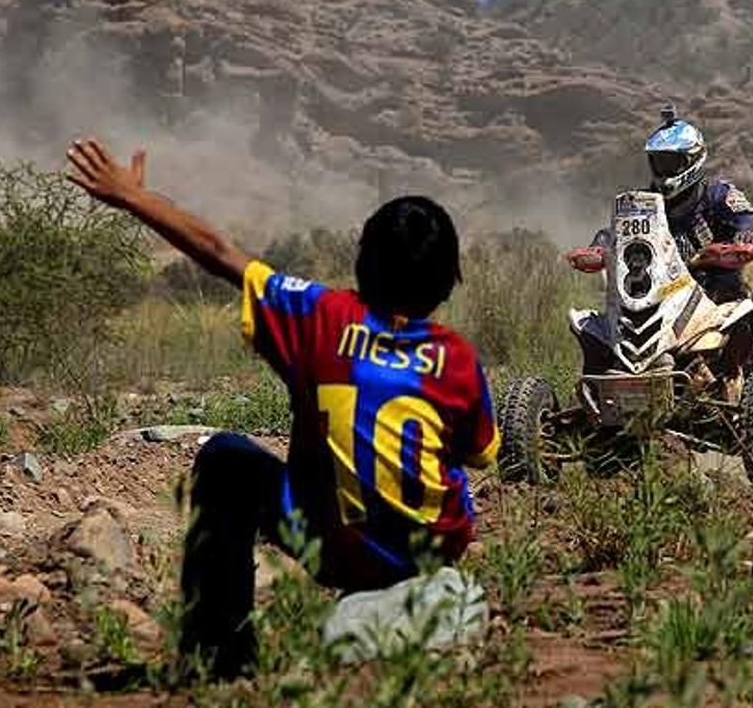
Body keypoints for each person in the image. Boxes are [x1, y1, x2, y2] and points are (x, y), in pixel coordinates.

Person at [66, 138, 500, 679]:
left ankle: (218, 656)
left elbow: (220, 251)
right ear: (448, 282)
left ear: (361, 261)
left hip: (333, 551)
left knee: (225, 460)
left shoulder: (319, 316)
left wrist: (133, 197)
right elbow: (479, 453)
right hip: (428, 555)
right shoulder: (457, 358)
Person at [570, 106, 753, 303]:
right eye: (660, 162)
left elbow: (746, 216)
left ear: (694, 159)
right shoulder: (640, 203)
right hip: (657, 295)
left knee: (740, 314)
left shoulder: (716, 194)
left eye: (672, 163)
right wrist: (598, 248)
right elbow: (615, 232)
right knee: (592, 326)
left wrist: (748, 233)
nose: (665, 170)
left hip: (715, 292)